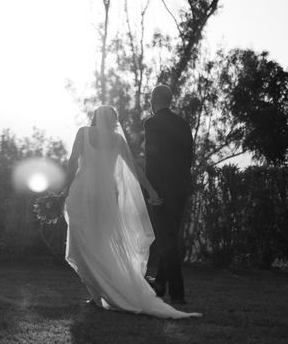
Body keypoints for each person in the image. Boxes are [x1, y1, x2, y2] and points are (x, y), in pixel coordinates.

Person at [62, 105, 200, 319]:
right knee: (101, 243)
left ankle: (98, 293)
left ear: (95, 118)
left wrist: (65, 187)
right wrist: (151, 190)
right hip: (107, 193)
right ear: (113, 121)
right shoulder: (117, 140)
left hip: (83, 191)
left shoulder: (83, 133)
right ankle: (98, 292)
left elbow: (73, 161)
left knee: (83, 242)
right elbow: (135, 168)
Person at [144, 85, 194, 305]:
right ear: (170, 101)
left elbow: (152, 157)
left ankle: (178, 293)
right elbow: (189, 156)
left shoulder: (151, 123)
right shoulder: (184, 124)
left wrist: (151, 189)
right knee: (171, 238)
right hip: (182, 187)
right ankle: (160, 285)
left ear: (153, 100)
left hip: (162, 189)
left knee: (167, 240)